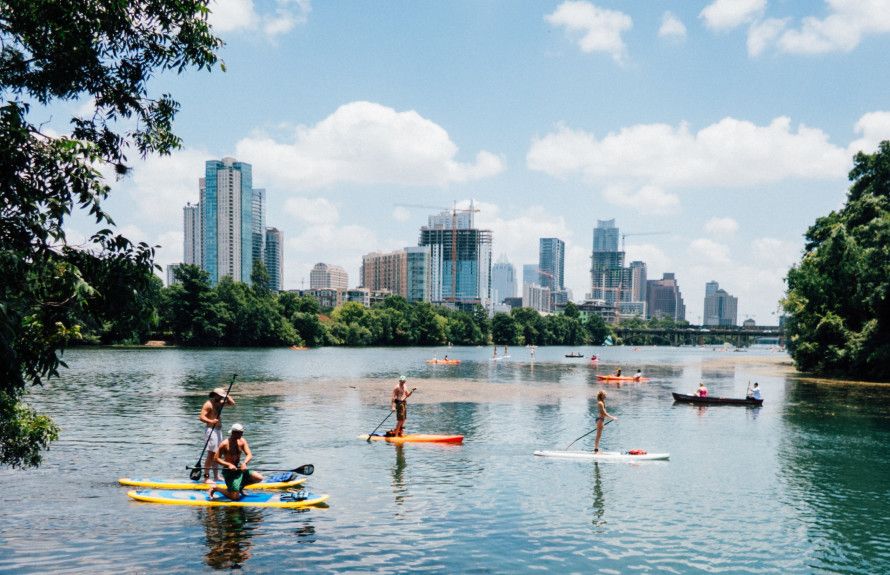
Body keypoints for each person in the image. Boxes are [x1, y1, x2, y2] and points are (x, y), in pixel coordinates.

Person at [208, 424, 264, 501]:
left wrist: (244, 463)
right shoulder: (224, 444)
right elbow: (216, 458)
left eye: (242, 432)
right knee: (235, 497)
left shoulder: (242, 441)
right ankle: (216, 488)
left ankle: (239, 488)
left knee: (259, 478)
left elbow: (249, 455)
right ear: (233, 433)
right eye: (240, 433)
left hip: (240, 469)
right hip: (229, 472)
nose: (242, 434)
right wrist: (229, 464)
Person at [199, 387, 236, 483]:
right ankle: (206, 477)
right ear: (215, 395)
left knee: (217, 454)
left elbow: (232, 403)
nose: (221, 398)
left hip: (218, 430)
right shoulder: (208, 404)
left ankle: (216, 476)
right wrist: (211, 421)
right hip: (211, 430)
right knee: (211, 454)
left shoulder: (220, 402)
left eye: (222, 396)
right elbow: (201, 417)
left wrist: (227, 395)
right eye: (220, 396)